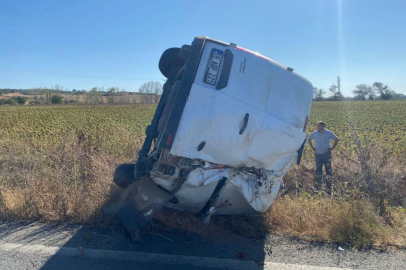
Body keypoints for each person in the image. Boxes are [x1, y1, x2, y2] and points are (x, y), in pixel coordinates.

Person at [308, 121, 339, 190]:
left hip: (326, 154)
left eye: (318, 126)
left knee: (328, 168)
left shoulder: (328, 133)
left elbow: (336, 139)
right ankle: (319, 184)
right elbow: (309, 139)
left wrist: (332, 148)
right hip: (318, 154)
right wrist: (312, 148)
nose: (317, 127)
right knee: (318, 169)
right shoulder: (315, 133)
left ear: (322, 126)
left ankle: (329, 184)